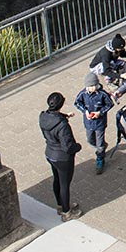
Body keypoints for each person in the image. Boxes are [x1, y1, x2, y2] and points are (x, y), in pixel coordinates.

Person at [39, 91, 82, 221]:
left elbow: (53, 117)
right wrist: (78, 147)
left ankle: (60, 205)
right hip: (63, 158)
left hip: (50, 153)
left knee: (57, 180)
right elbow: (67, 146)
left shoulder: (43, 116)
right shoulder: (62, 125)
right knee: (64, 184)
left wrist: (64, 116)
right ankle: (66, 212)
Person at [74, 71, 114, 174]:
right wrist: (85, 111)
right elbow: (77, 103)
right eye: (88, 86)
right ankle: (102, 147)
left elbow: (109, 104)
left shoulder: (102, 94)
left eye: (92, 86)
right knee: (90, 140)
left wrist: (99, 113)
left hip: (100, 123)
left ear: (97, 84)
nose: (90, 88)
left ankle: (100, 159)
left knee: (99, 143)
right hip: (88, 123)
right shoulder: (83, 94)